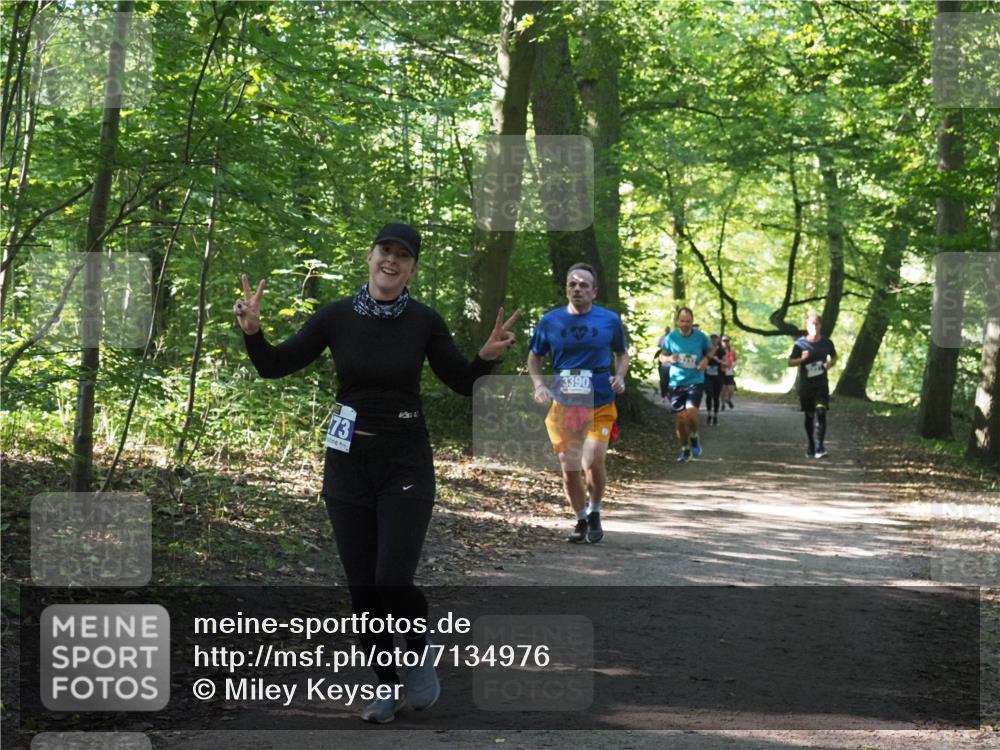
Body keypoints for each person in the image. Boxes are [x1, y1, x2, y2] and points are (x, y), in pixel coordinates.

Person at [234, 223, 519, 723]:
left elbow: (459, 381)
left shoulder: (423, 321)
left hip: (406, 461)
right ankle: (386, 685)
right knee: (363, 587)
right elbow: (275, 366)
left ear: (412, 268)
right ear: (370, 257)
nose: (392, 261)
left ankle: (416, 650)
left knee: (391, 579)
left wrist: (485, 359)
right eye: (385, 251)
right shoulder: (337, 317)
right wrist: (254, 333)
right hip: (347, 465)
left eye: (403, 256)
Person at [528, 263, 629, 545]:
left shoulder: (609, 321)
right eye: (572, 284)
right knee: (569, 465)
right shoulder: (550, 321)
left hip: (599, 401)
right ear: (566, 289)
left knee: (593, 460)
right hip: (564, 403)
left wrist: (619, 377)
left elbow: (622, 354)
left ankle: (596, 510)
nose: (577, 289)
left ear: (594, 291)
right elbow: (534, 356)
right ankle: (581, 517)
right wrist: (539, 385)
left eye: (584, 285)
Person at [659, 307, 714, 462]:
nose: (685, 324)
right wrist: (669, 359)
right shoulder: (671, 338)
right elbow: (662, 357)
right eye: (682, 321)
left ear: (692, 321)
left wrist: (705, 360)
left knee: (691, 413)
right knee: (681, 419)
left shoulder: (701, 337)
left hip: (695, 380)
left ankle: (695, 436)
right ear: (677, 321)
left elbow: (711, 350)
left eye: (688, 321)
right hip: (676, 382)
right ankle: (685, 448)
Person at [788, 311, 837, 458]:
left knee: (821, 412)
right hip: (806, 386)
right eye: (811, 324)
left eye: (816, 324)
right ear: (807, 326)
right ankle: (811, 445)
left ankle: (820, 447)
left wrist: (830, 363)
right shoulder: (800, 344)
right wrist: (801, 360)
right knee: (809, 416)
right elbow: (790, 362)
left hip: (821, 384)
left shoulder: (827, 343)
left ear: (820, 326)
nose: (814, 327)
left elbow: (834, 356)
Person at [704, 333, 725, 425]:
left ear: (718, 340)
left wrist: (717, 360)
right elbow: (701, 360)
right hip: (707, 376)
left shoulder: (721, 350)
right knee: (709, 394)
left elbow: (726, 363)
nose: (713, 340)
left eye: (715, 338)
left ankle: (715, 417)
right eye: (712, 338)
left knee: (716, 397)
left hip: (718, 376)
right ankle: (709, 415)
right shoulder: (706, 349)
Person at [720, 335, 736, 409]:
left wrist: (733, 366)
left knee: (731, 389)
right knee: (723, 389)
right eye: (724, 341)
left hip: (729, 371)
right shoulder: (719, 350)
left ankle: (728, 400)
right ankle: (722, 404)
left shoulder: (732, 350)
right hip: (721, 371)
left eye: (727, 341)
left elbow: (735, 360)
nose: (726, 342)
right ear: (721, 341)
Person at [656, 326, 671, 403]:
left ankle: (669, 395)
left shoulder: (672, 337)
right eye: (666, 329)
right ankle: (663, 395)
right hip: (663, 364)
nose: (667, 330)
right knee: (663, 381)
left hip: (670, 364)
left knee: (669, 380)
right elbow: (658, 345)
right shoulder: (662, 337)